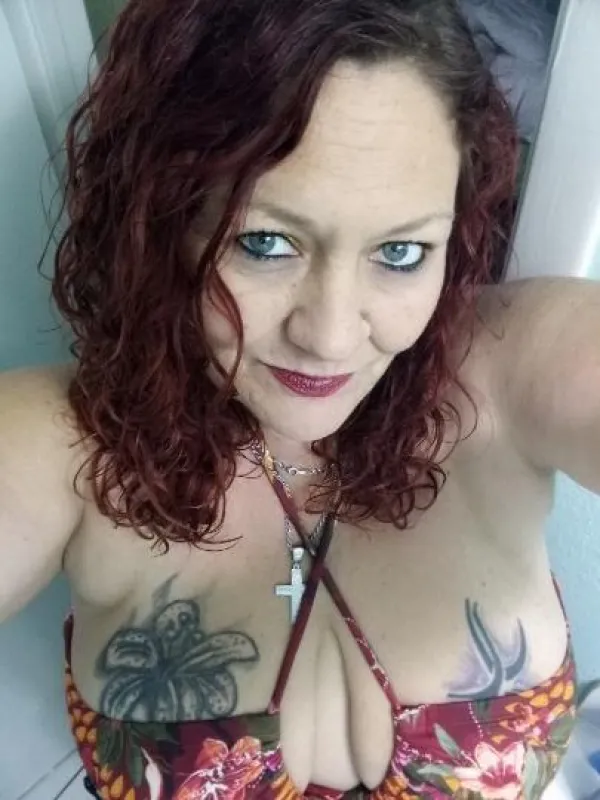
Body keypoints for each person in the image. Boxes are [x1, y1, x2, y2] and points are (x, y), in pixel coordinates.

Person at [1, 0, 599, 797]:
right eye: (264, 242)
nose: (329, 336)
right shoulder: (69, 445)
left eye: (400, 251)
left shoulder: (512, 363)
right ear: (160, 220)